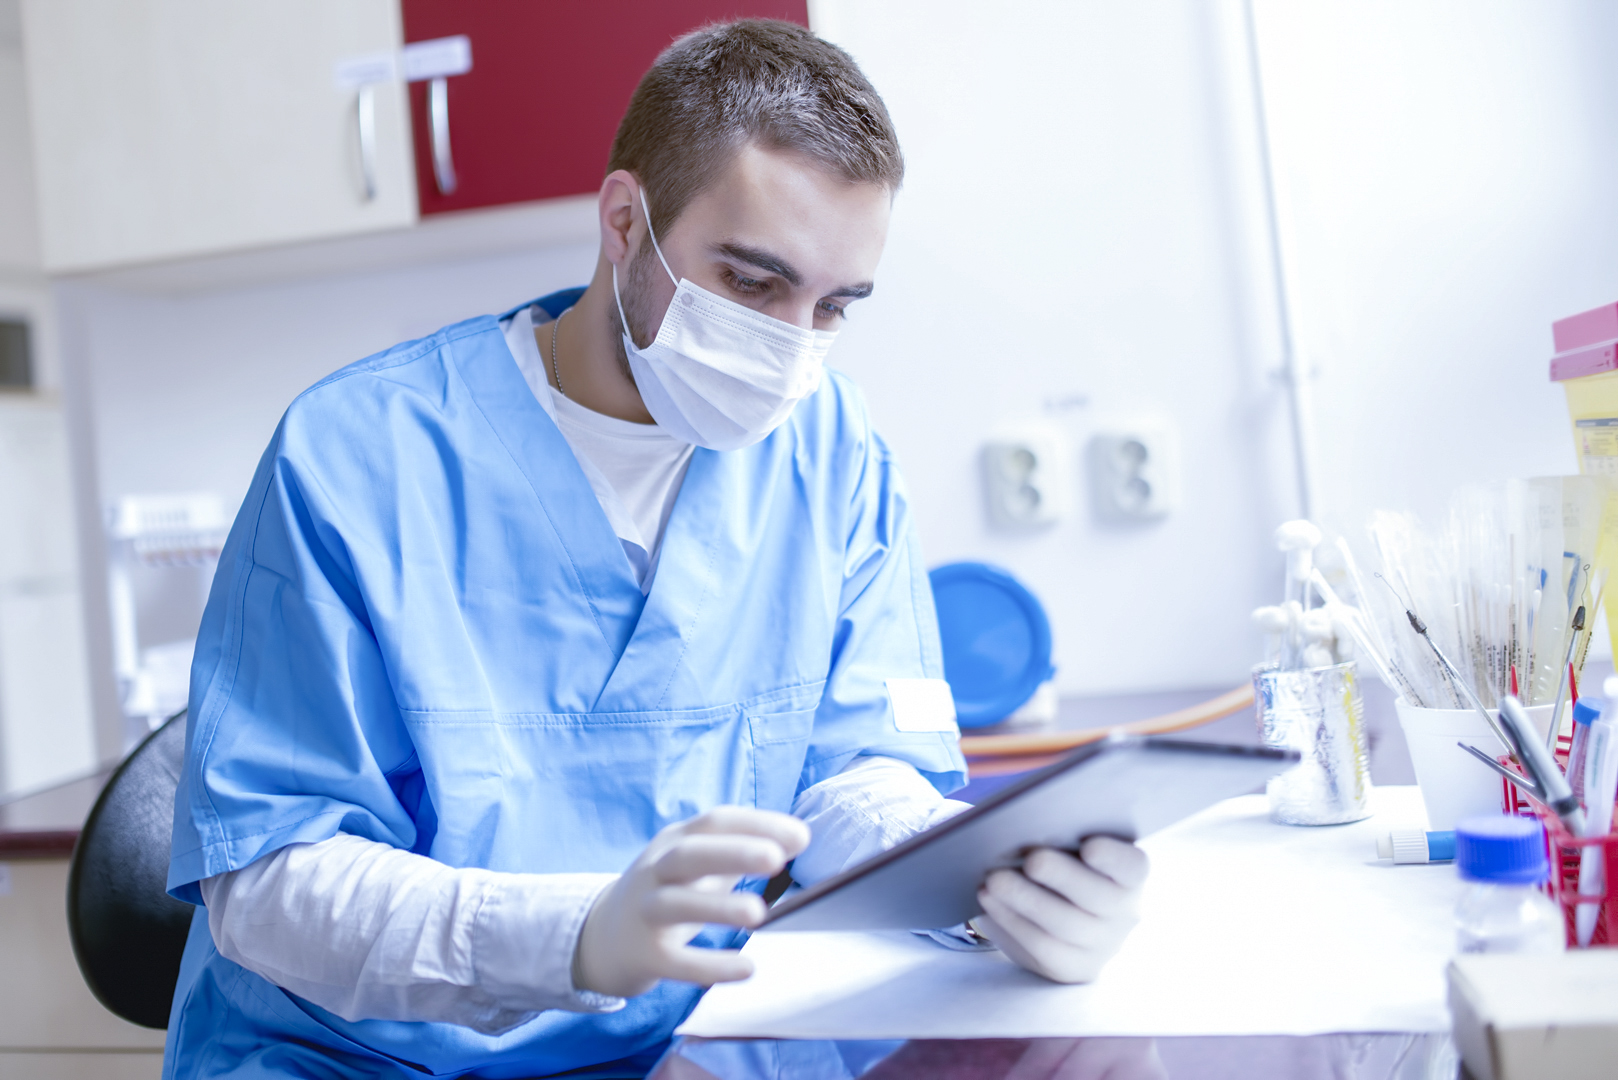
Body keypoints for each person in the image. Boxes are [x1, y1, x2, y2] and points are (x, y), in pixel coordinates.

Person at [162, 19, 1149, 1079]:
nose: (792, 350)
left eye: (834, 307)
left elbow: (853, 775)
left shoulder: (830, 448)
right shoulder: (357, 456)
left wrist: (988, 893)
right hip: (362, 1060)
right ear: (625, 221)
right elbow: (264, 887)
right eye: (754, 283)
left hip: (684, 1044)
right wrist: (573, 935)